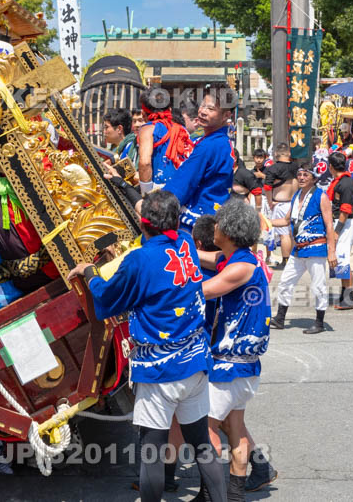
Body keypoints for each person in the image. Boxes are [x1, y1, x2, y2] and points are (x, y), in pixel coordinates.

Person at [69, 191, 225, 502]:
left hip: (160, 370)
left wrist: (89, 271)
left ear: (143, 225)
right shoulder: (185, 243)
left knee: (152, 451)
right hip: (194, 361)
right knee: (202, 445)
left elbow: (107, 295)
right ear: (177, 221)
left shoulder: (140, 258)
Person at [197, 200, 275, 497]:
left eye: (217, 224)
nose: (213, 227)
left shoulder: (240, 267)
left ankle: (212, 493)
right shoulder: (237, 257)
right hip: (244, 364)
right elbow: (203, 256)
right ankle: (235, 494)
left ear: (227, 230)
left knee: (205, 429)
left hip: (230, 364)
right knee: (236, 428)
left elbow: (201, 290)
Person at [270, 163, 337, 333]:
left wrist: (331, 251)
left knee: (318, 286)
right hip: (298, 249)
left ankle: (319, 322)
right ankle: (280, 318)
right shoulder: (296, 195)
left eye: (305, 175)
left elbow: (329, 225)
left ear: (314, 178)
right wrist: (265, 222)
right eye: (299, 174)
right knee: (285, 281)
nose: (301, 178)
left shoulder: (321, 196)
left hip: (316, 247)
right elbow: (286, 221)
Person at [162, 85, 236, 232]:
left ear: (226, 115)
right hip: (213, 214)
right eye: (202, 106)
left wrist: (158, 206)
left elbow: (184, 184)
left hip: (197, 221)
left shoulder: (209, 145)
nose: (202, 112)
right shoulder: (220, 142)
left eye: (211, 109)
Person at [136, 87, 194, 193]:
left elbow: (145, 163)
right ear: (170, 110)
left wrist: (146, 194)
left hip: (161, 194)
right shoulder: (182, 130)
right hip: (186, 191)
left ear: (143, 113)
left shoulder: (147, 129)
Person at [326, 151, 353, 310]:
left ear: (331, 166)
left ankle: (348, 299)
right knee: (341, 261)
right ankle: (345, 295)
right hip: (342, 222)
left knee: (342, 260)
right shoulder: (341, 181)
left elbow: (345, 210)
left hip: (344, 224)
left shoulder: (345, 183)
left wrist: (336, 232)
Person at [262, 143, 297, 264]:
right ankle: (293, 259)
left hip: (281, 203)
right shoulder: (296, 167)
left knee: (284, 234)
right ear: (289, 153)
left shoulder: (273, 168)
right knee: (292, 233)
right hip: (294, 202)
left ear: (276, 154)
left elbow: (267, 187)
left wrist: (270, 201)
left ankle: (286, 260)